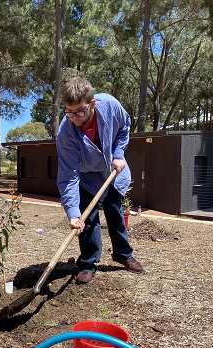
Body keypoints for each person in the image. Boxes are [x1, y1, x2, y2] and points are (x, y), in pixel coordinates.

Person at [56, 77, 143, 284]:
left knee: (114, 212)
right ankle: (87, 263)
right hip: (86, 177)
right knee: (88, 219)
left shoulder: (110, 105)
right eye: (69, 112)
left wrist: (118, 154)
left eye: (80, 111)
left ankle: (122, 253)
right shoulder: (65, 134)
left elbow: (124, 127)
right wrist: (73, 213)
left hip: (113, 170)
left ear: (92, 104)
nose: (75, 118)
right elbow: (68, 176)